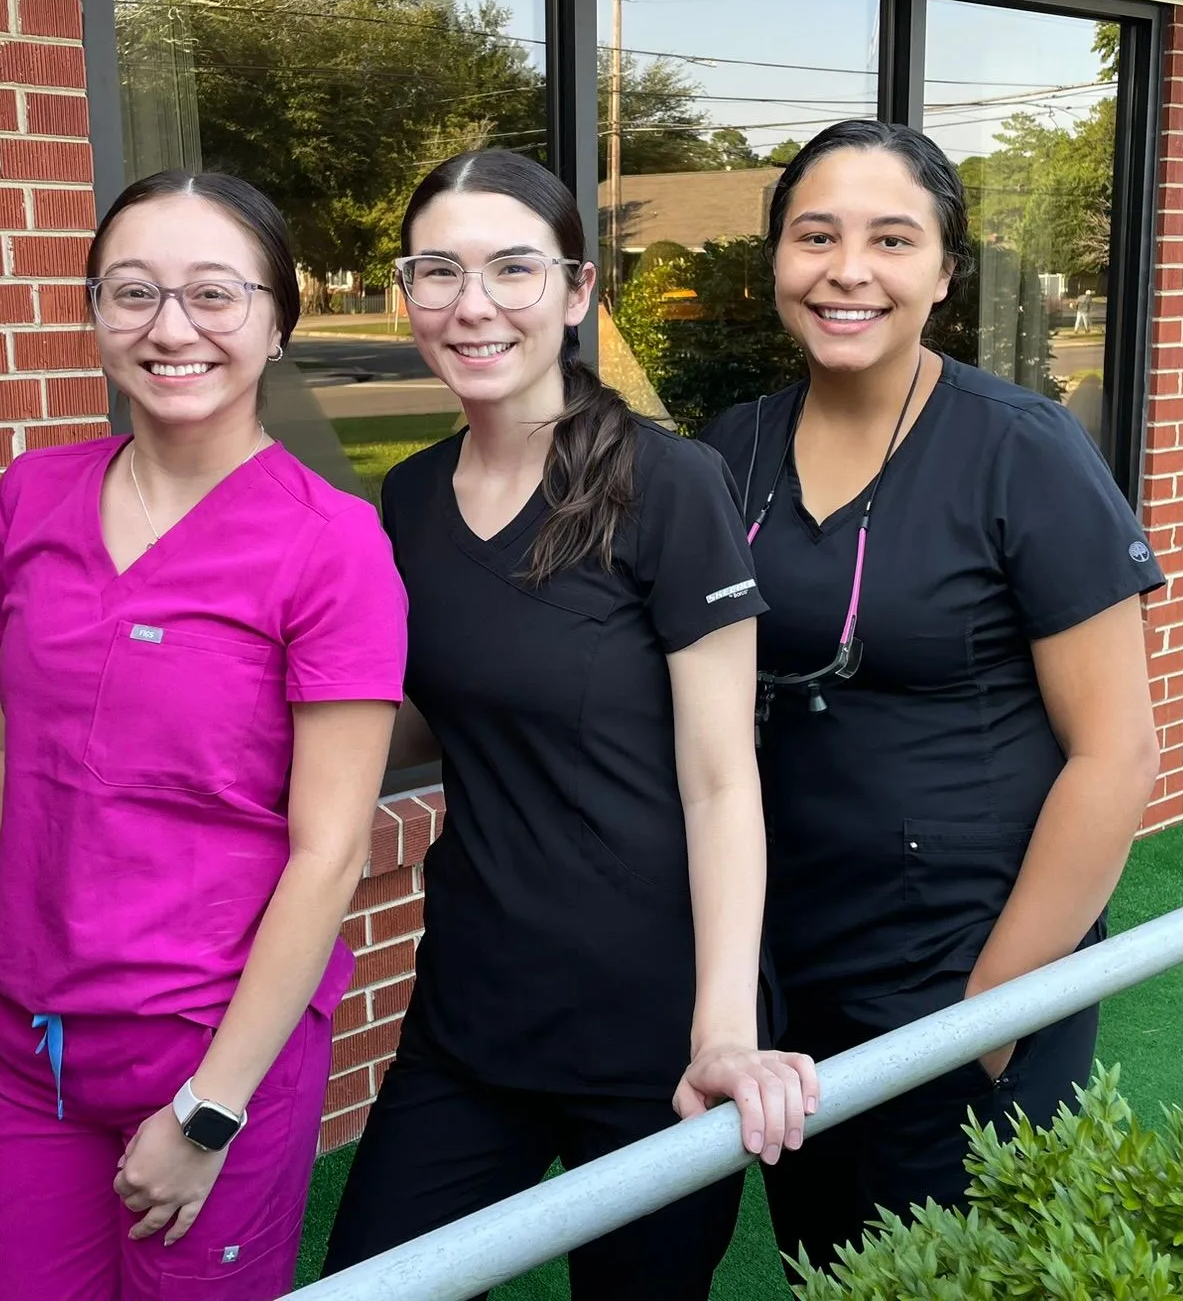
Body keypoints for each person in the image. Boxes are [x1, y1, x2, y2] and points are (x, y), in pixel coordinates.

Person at [322, 150, 817, 1297]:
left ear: (577, 290)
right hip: (474, 1007)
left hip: (652, 1026)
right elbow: (430, 719)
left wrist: (722, 1030)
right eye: (437, 272)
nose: (472, 304)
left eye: (511, 268)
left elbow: (719, 782)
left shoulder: (666, 484)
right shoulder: (406, 498)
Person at [698, 121, 1164, 1273]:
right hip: (793, 967)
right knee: (829, 1260)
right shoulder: (728, 452)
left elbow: (1117, 753)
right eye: (815, 236)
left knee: (962, 1272)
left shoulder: (1022, 449)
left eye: (889, 239)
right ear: (775, 261)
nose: (846, 270)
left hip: (970, 959)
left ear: (944, 273)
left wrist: (990, 1019)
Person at [0, 170, 407, 1301]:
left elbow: (329, 852)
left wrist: (208, 1112)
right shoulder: (30, 498)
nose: (170, 330)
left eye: (214, 294)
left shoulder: (331, 546)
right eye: (132, 292)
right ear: (94, 310)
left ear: (274, 320)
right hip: (32, 1043)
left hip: (211, 1048)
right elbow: (4, 752)